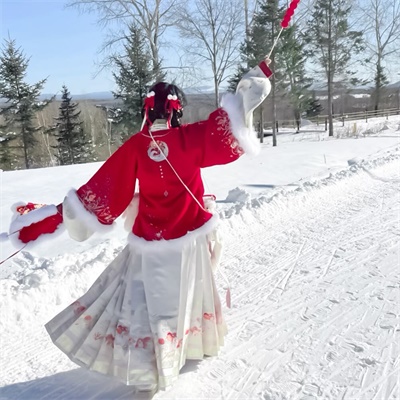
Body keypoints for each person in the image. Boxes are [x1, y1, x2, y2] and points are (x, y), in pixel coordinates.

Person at [9, 58, 273, 394]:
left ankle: (148, 369)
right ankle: (187, 349)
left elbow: (103, 193)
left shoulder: (135, 147)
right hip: (190, 239)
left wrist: (57, 216)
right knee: (187, 297)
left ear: (147, 111)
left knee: (147, 306)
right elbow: (230, 132)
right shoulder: (191, 139)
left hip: (149, 243)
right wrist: (249, 87)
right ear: (176, 111)